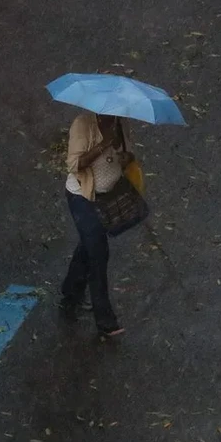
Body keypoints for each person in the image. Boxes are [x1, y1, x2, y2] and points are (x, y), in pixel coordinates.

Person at [60, 113, 134, 337]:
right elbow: (75, 164)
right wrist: (103, 145)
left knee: (89, 245)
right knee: (98, 254)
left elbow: (128, 153)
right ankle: (105, 320)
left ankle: (71, 291)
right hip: (82, 197)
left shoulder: (119, 122)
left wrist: (124, 158)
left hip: (106, 197)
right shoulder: (82, 124)